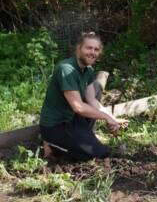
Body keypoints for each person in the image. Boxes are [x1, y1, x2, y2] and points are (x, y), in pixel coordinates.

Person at [39, 32, 128, 161]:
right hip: (56, 125)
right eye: (89, 48)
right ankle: (50, 144)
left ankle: (84, 137)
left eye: (96, 49)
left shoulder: (88, 70)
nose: (93, 52)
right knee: (94, 154)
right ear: (78, 49)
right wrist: (106, 117)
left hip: (73, 120)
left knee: (101, 151)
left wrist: (113, 118)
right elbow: (79, 107)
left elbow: (91, 99)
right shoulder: (66, 69)